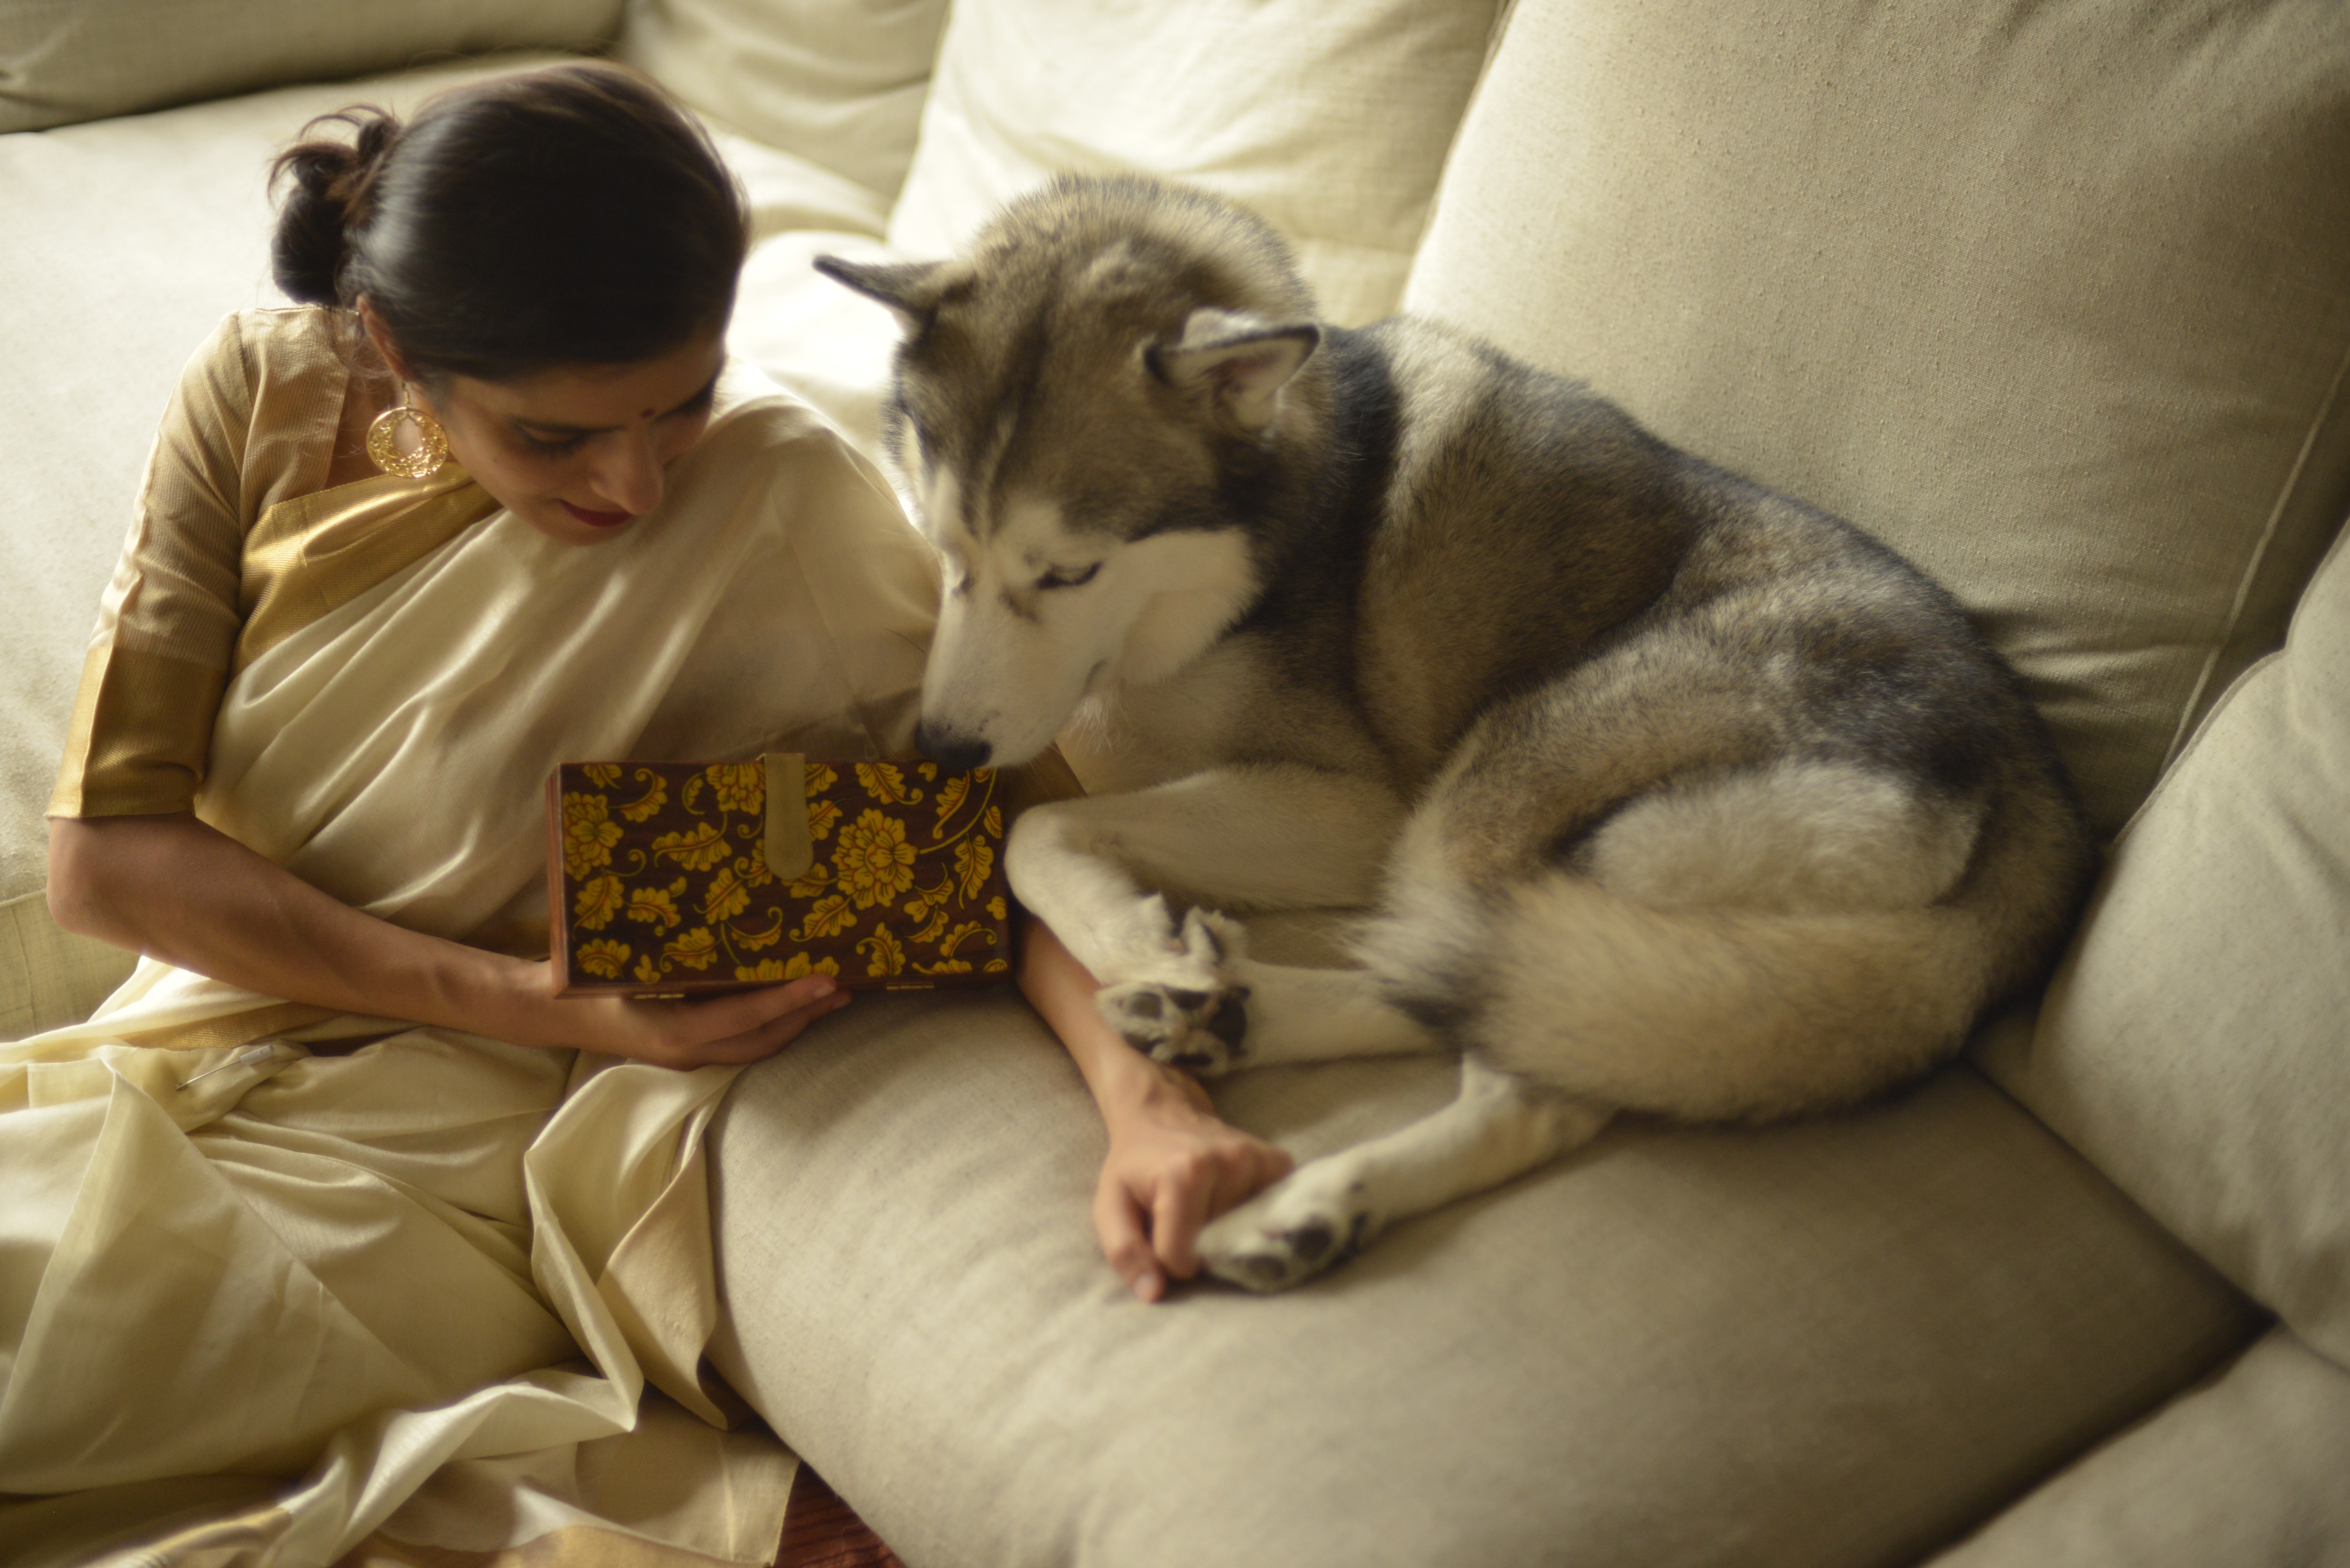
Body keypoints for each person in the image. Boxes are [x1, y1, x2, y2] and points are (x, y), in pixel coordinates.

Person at [5, 62, 937, 1564]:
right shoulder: (263, 388)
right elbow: (106, 863)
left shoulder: (781, 495)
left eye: (680, 399)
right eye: (556, 438)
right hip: (209, 1030)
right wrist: (529, 989)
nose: (637, 484)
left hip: (466, 1146)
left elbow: (988, 828)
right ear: (393, 347)